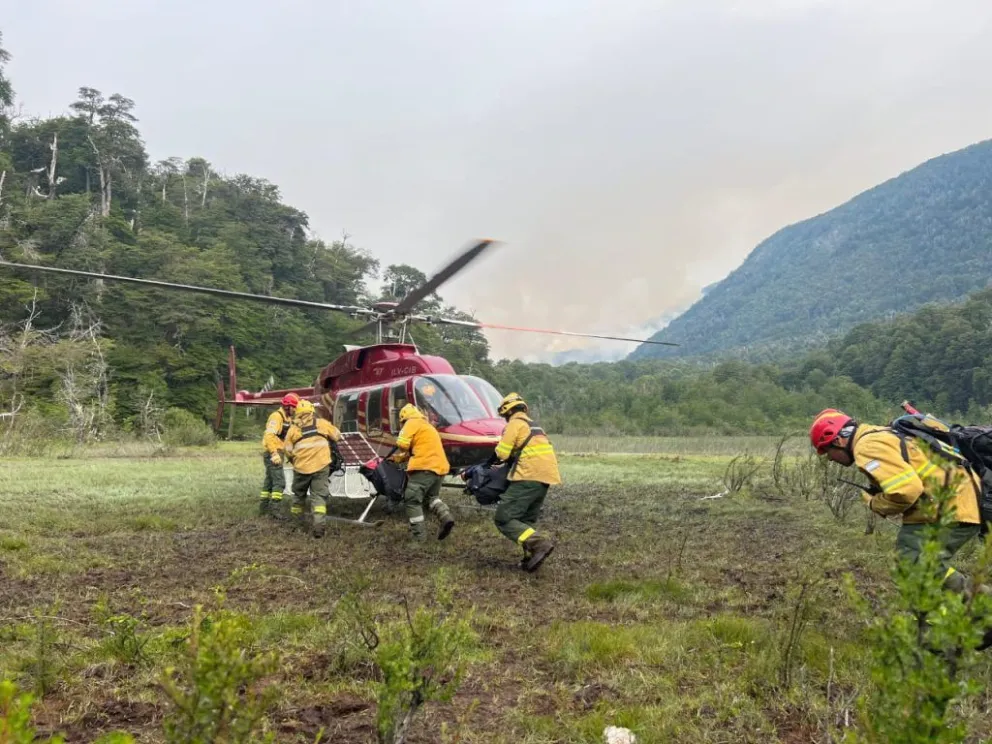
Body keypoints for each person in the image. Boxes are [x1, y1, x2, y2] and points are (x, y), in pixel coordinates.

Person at [810, 408, 982, 592]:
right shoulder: (878, 434)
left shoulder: (867, 446)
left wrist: (875, 503)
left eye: (827, 451)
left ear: (838, 440)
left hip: (949, 507)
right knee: (917, 565)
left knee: (913, 563)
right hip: (953, 503)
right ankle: (947, 613)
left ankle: (980, 606)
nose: (829, 459)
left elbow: (907, 490)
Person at [492, 392, 560, 572]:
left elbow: (502, 453)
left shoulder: (515, 424)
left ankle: (540, 544)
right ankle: (529, 559)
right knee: (525, 520)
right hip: (546, 478)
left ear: (507, 412)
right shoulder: (536, 427)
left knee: (504, 518)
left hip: (528, 475)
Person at [390, 403, 455, 540]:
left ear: (403, 419)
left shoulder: (411, 422)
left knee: (412, 500)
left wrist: (399, 441)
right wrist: (396, 459)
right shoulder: (427, 426)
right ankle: (446, 517)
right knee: (432, 498)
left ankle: (419, 538)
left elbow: (402, 444)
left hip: (424, 468)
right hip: (440, 468)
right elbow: (416, 449)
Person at [284, 399, 342, 538]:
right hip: (321, 466)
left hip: (301, 469)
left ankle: (296, 525)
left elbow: (287, 450)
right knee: (319, 497)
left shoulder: (293, 430)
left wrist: (295, 461)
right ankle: (319, 527)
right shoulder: (322, 424)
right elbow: (337, 435)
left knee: (298, 497)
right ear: (311, 412)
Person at [260, 393, 299, 517]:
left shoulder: (289, 419)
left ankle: (263, 509)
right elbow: (269, 435)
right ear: (288, 406)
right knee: (280, 482)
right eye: (294, 407)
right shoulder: (276, 417)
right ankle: (275, 511)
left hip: (279, 452)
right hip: (273, 453)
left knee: (269, 482)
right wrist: (274, 453)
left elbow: (286, 440)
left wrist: (291, 456)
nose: (295, 410)